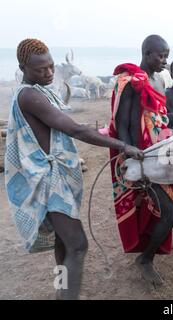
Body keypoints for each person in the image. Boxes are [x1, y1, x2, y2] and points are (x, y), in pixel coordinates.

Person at [5, 39, 143, 300]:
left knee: (63, 244)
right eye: (40, 69)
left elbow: (63, 124)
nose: (48, 73)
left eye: (51, 67)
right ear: (23, 67)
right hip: (48, 181)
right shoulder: (29, 95)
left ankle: (61, 292)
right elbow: (75, 130)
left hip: (51, 176)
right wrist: (123, 145)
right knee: (78, 245)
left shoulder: (39, 90)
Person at [108, 35, 173, 287]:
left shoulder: (159, 79)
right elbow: (122, 123)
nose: (164, 61)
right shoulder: (129, 81)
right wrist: (129, 156)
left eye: (167, 55)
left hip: (163, 154)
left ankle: (147, 256)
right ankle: (145, 260)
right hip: (142, 157)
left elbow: (163, 117)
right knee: (169, 213)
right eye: (160, 55)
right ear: (147, 53)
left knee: (165, 211)